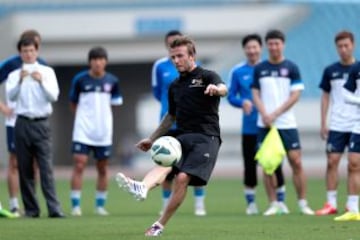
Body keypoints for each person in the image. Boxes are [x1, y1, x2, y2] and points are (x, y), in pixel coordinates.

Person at [116, 36, 227, 236]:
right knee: (164, 162)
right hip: (182, 135)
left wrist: (216, 89)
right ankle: (142, 186)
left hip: (206, 137)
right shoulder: (174, 86)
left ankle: (159, 224)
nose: (176, 60)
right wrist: (152, 138)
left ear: (192, 56)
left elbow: (224, 88)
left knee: (183, 177)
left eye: (180, 56)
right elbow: (171, 116)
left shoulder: (207, 76)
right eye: (173, 57)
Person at [251, 29, 314, 215]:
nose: (274, 47)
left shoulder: (292, 67)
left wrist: (275, 113)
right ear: (266, 46)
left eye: (277, 43)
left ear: (283, 44)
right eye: (270, 43)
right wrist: (265, 114)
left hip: (287, 123)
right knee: (268, 164)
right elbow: (255, 94)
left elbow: (295, 95)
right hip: (265, 124)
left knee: (296, 162)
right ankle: (273, 204)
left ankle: (303, 203)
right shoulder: (260, 69)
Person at [227, 33, 287, 216]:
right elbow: (230, 96)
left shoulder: (270, 69)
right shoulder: (237, 72)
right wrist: (241, 103)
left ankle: (281, 202)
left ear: (261, 48)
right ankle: (251, 204)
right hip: (249, 127)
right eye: (248, 47)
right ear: (244, 50)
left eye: (255, 47)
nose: (252, 50)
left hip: (271, 125)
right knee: (250, 165)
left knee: (275, 163)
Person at [6, 37, 64, 218]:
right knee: (25, 168)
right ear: (20, 53)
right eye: (25, 51)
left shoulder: (47, 72)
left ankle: (54, 209)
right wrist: (20, 82)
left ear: (37, 51)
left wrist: (41, 82)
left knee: (46, 167)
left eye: (31, 50)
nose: (28, 54)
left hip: (41, 123)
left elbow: (53, 96)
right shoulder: (14, 75)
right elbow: (11, 97)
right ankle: (31, 210)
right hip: (22, 122)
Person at [152, 30, 206, 216]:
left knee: (194, 165)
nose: (174, 53)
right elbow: (157, 92)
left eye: (177, 47)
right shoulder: (160, 66)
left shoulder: (196, 70)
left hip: (191, 125)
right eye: (170, 46)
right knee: (166, 164)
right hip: (169, 120)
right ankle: (165, 204)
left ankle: (199, 205)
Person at [69, 46, 123, 216]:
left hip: (103, 132)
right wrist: (83, 119)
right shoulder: (80, 80)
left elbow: (115, 104)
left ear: (105, 62)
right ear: (90, 62)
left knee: (102, 169)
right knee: (79, 164)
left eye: (101, 59)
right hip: (83, 130)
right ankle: (76, 206)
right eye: (95, 59)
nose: (98, 63)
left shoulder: (113, 81)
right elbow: (73, 103)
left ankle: (100, 206)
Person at [0, 29, 45, 216]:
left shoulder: (43, 66)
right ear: (21, 47)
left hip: (36, 122)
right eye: (26, 47)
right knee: (14, 162)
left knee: (33, 164)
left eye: (35, 47)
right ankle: (13, 204)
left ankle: (30, 203)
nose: (30, 51)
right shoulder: (10, 65)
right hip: (14, 121)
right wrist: (3, 107)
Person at [316, 31, 358, 216]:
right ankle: (331, 203)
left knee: (354, 164)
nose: (343, 49)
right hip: (337, 123)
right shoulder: (330, 70)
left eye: (346, 45)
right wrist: (323, 121)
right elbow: (325, 97)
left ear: (353, 45)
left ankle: (352, 204)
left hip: (357, 122)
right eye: (340, 46)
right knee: (332, 161)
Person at [336, 61, 360, 221]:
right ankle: (353, 209)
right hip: (359, 124)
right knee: (353, 163)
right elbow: (345, 94)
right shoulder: (357, 68)